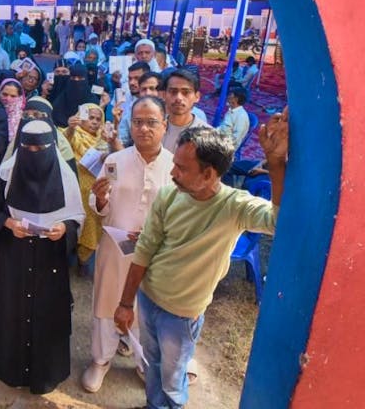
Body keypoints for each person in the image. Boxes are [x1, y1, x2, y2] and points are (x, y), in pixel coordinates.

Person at [114, 117, 289, 409]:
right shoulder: (170, 194)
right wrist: (125, 302)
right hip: (148, 299)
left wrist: (275, 163)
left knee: (172, 377)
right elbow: (144, 249)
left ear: (209, 174)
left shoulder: (235, 206)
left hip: (182, 315)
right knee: (150, 363)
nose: (172, 172)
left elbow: (279, 221)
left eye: (182, 168)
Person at [0, 120, 85, 395]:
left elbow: (77, 219)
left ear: (52, 147)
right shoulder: (6, 173)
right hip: (14, 253)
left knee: (48, 313)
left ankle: (46, 373)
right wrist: (8, 224)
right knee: (12, 311)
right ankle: (10, 369)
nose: (33, 152)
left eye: (40, 147)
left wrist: (64, 228)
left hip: (50, 256)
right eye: (27, 146)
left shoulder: (66, 177)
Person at [81, 96, 174, 393]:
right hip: (115, 249)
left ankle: (143, 361)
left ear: (164, 125)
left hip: (156, 254)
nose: (144, 128)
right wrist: (100, 199)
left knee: (147, 308)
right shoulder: (114, 160)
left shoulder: (175, 167)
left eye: (151, 122)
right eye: (137, 122)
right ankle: (100, 360)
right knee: (108, 302)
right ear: (129, 125)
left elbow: (180, 212)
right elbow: (100, 209)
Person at [64, 102, 109, 266]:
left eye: (98, 119)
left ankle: (83, 261)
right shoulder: (74, 133)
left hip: (95, 191)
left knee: (91, 224)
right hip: (75, 189)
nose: (95, 122)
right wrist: (70, 128)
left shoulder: (102, 138)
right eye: (90, 118)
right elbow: (65, 141)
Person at [161, 69, 209, 153]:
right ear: (164, 95)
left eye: (186, 92)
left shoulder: (206, 136)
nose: (178, 98)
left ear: (197, 97)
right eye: (173, 92)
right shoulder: (155, 127)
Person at [116, 61, 153, 147]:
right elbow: (122, 139)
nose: (132, 83)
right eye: (130, 78)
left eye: (137, 78)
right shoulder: (129, 104)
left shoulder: (162, 105)